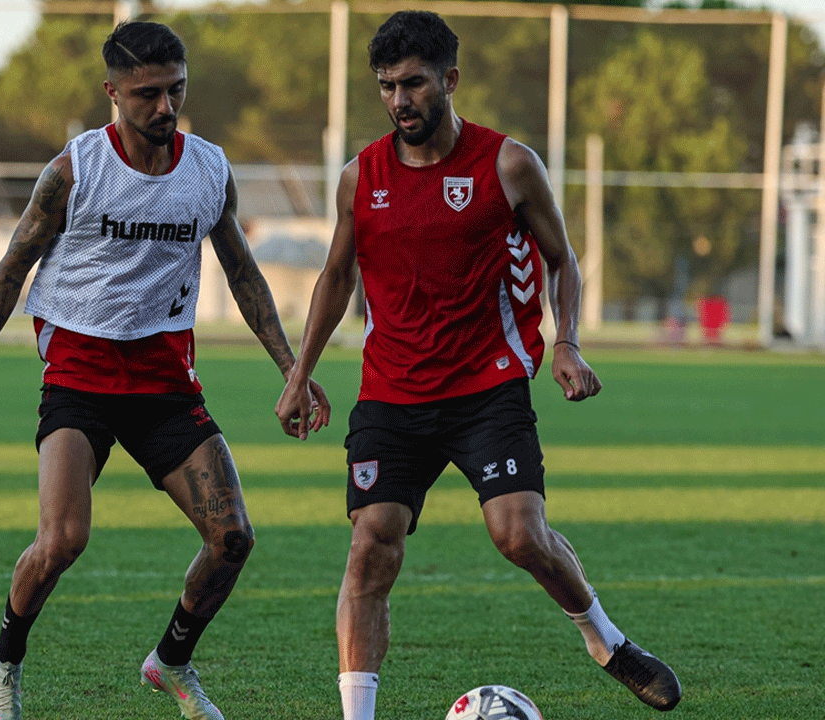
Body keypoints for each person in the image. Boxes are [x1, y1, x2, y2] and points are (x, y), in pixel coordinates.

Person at [274, 10, 681, 719]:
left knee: (519, 534)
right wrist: (298, 371)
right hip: (393, 393)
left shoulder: (507, 165)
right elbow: (336, 277)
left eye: (413, 84)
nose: (400, 100)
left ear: (450, 80)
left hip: (486, 386)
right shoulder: (358, 178)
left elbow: (563, 260)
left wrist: (567, 342)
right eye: (386, 87)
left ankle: (606, 642)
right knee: (372, 545)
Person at [0, 20, 325, 720]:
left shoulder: (208, 169)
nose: (164, 108)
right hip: (80, 376)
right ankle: (6, 664)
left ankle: (171, 663)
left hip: (163, 383)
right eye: (147, 94)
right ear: (112, 92)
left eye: (176, 90)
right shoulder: (74, 171)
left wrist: (291, 368)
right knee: (61, 541)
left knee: (233, 537)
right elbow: (14, 263)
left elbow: (241, 271)